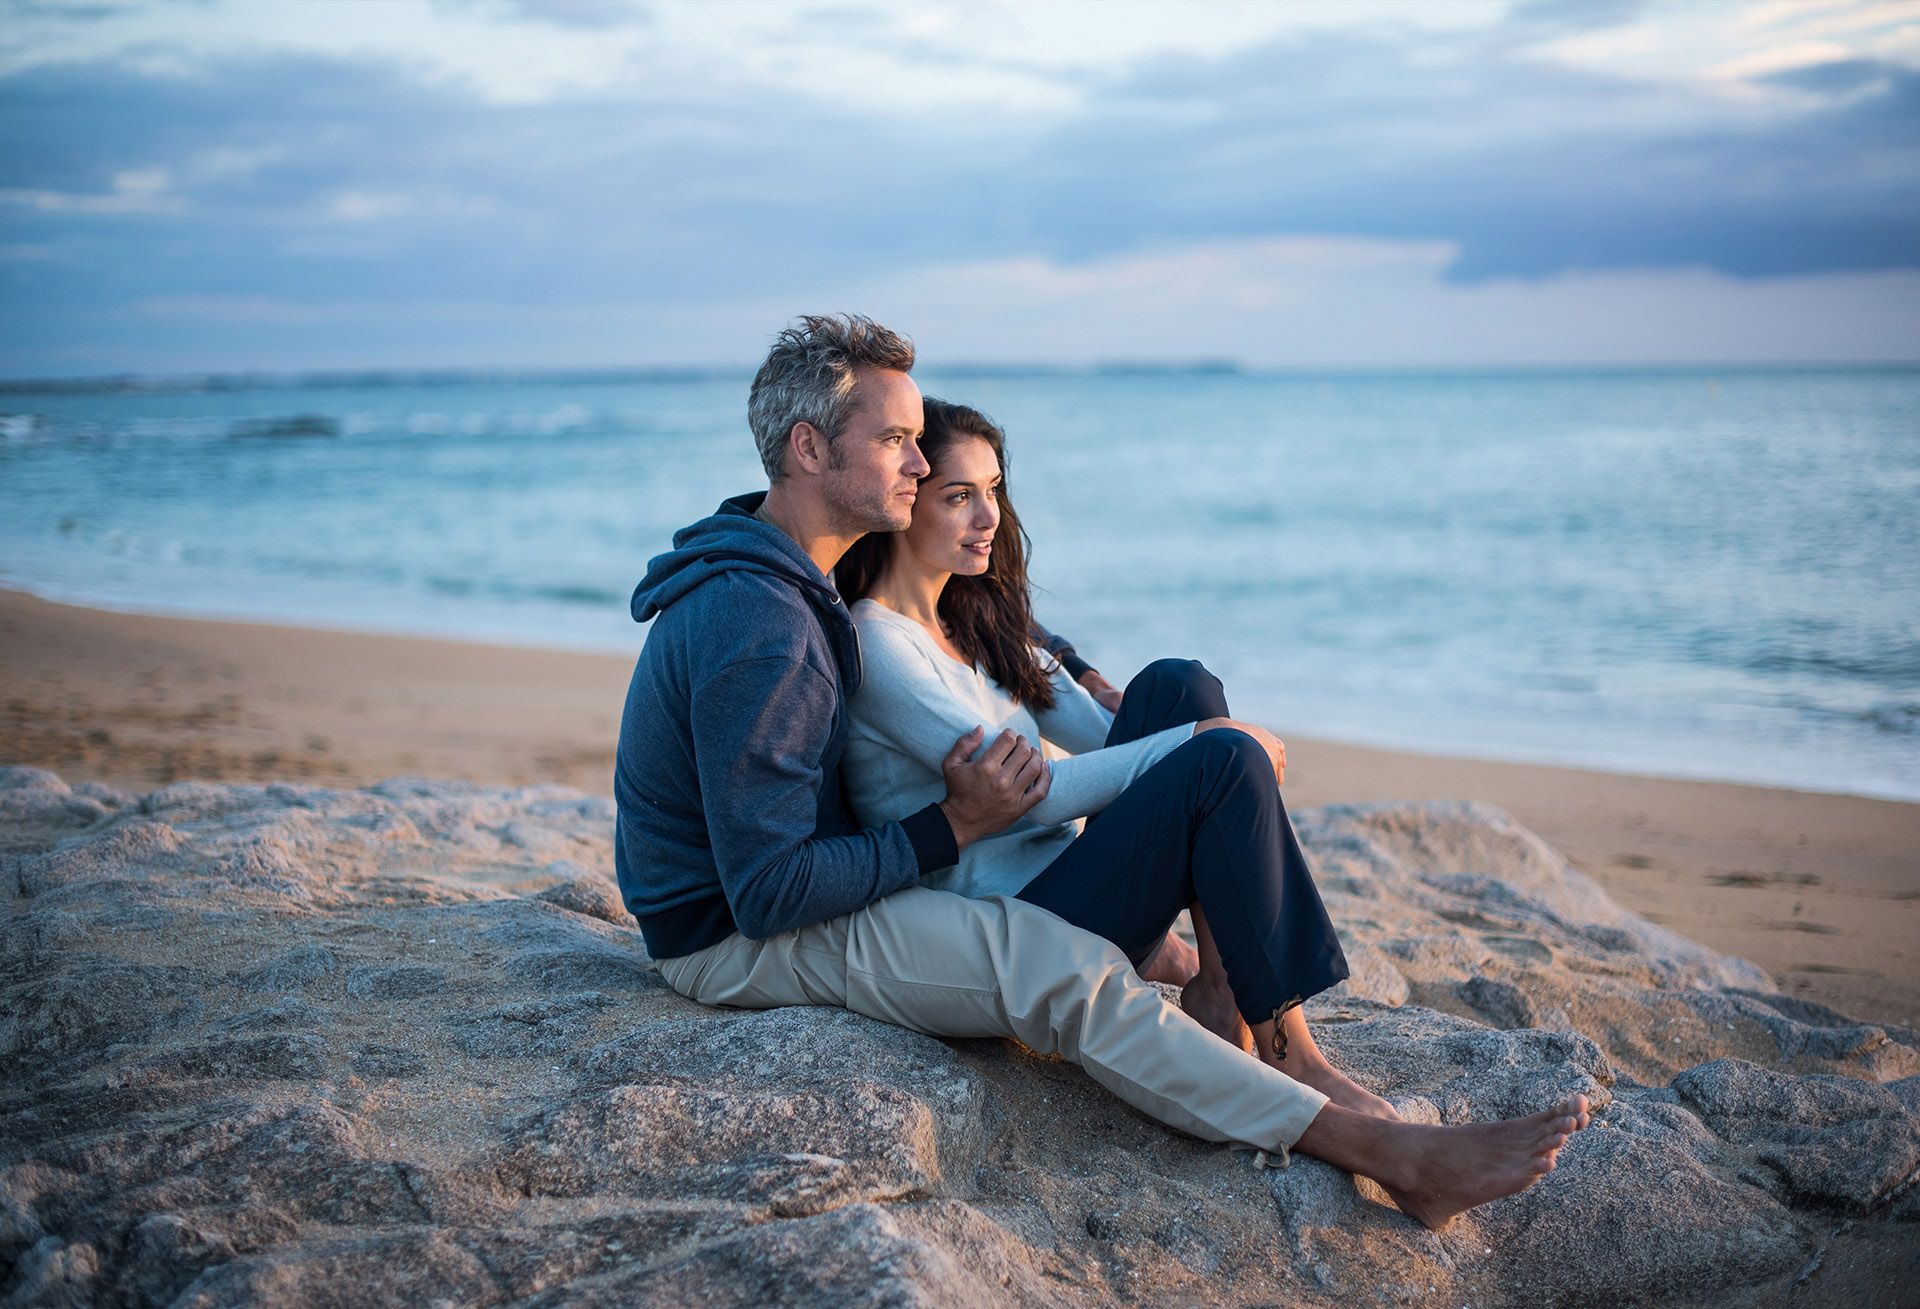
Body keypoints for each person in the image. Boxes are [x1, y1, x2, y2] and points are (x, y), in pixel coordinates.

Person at [613, 312, 1588, 1230]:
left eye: (923, 443)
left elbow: (977, 616)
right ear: (810, 451)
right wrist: (951, 826)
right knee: (1058, 965)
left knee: (1174, 698)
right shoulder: (766, 627)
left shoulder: (785, 567)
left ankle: (1241, 1005)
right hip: (724, 936)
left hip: (779, 886)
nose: (920, 460)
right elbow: (768, 891)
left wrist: (1074, 666)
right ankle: (1388, 1153)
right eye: (898, 441)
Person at [834, 396, 1391, 1116]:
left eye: (995, 491)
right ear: (907, 502)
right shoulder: (879, 648)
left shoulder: (975, 623)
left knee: (1178, 683)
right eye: (959, 496)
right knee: (1214, 752)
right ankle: (1297, 1057)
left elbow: (1107, 737)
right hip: (1015, 929)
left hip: (1075, 885)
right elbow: (1036, 795)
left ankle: (1223, 991)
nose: (989, 518)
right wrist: (1201, 747)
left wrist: (1188, 732)